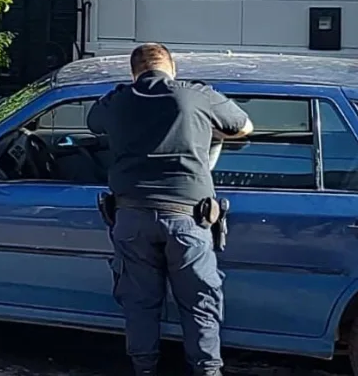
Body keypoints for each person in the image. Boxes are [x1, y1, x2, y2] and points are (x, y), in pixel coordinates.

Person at [86, 43, 253, 376]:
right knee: (200, 305)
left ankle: (144, 370)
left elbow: (93, 124)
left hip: (131, 217)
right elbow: (244, 127)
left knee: (140, 305)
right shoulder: (197, 96)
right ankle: (207, 371)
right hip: (189, 219)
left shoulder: (117, 100)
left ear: (134, 72)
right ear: (172, 68)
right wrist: (203, 127)